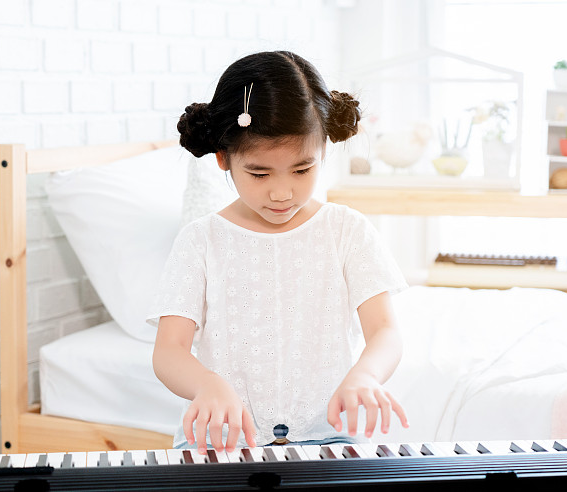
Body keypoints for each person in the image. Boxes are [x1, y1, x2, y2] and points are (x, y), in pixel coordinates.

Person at [148, 51, 409, 455]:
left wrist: (366, 376)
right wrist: (207, 384)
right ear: (223, 158)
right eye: (259, 173)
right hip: (222, 441)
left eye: (302, 170)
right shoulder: (200, 240)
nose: (282, 192)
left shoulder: (347, 230)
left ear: (323, 150)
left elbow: (385, 332)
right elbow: (169, 351)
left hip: (330, 434)